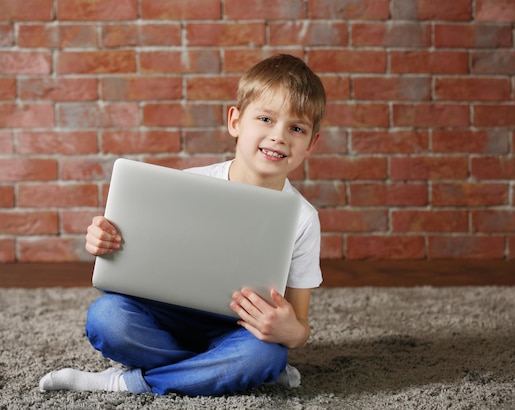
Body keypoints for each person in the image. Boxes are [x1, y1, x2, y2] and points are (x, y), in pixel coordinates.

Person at [39, 54, 326, 396]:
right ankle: (221, 369)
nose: (278, 136)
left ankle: (129, 382)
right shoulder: (189, 184)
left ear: (311, 143)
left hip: (240, 329)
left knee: (264, 352)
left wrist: (288, 331)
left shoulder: (303, 218)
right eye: (265, 118)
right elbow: (134, 267)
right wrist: (106, 242)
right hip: (168, 319)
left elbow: (300, 328)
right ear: (235, 121)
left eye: (296, 128)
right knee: (107, 318)